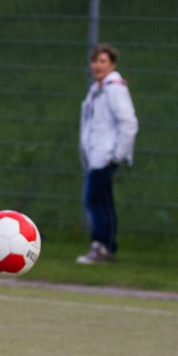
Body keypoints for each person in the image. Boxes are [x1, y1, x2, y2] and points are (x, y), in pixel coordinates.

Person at [77, 43, 138, 264]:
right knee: (103, 201)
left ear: (112, 64)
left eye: (102, 61)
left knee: (93, 200)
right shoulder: (97, 90)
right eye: (94, 61)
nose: (97, 66)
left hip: (105, 157)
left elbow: (129, 123)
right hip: (96, 156)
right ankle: (107, 246)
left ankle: (101, 245)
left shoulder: (114, 89)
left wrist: (116, 154)